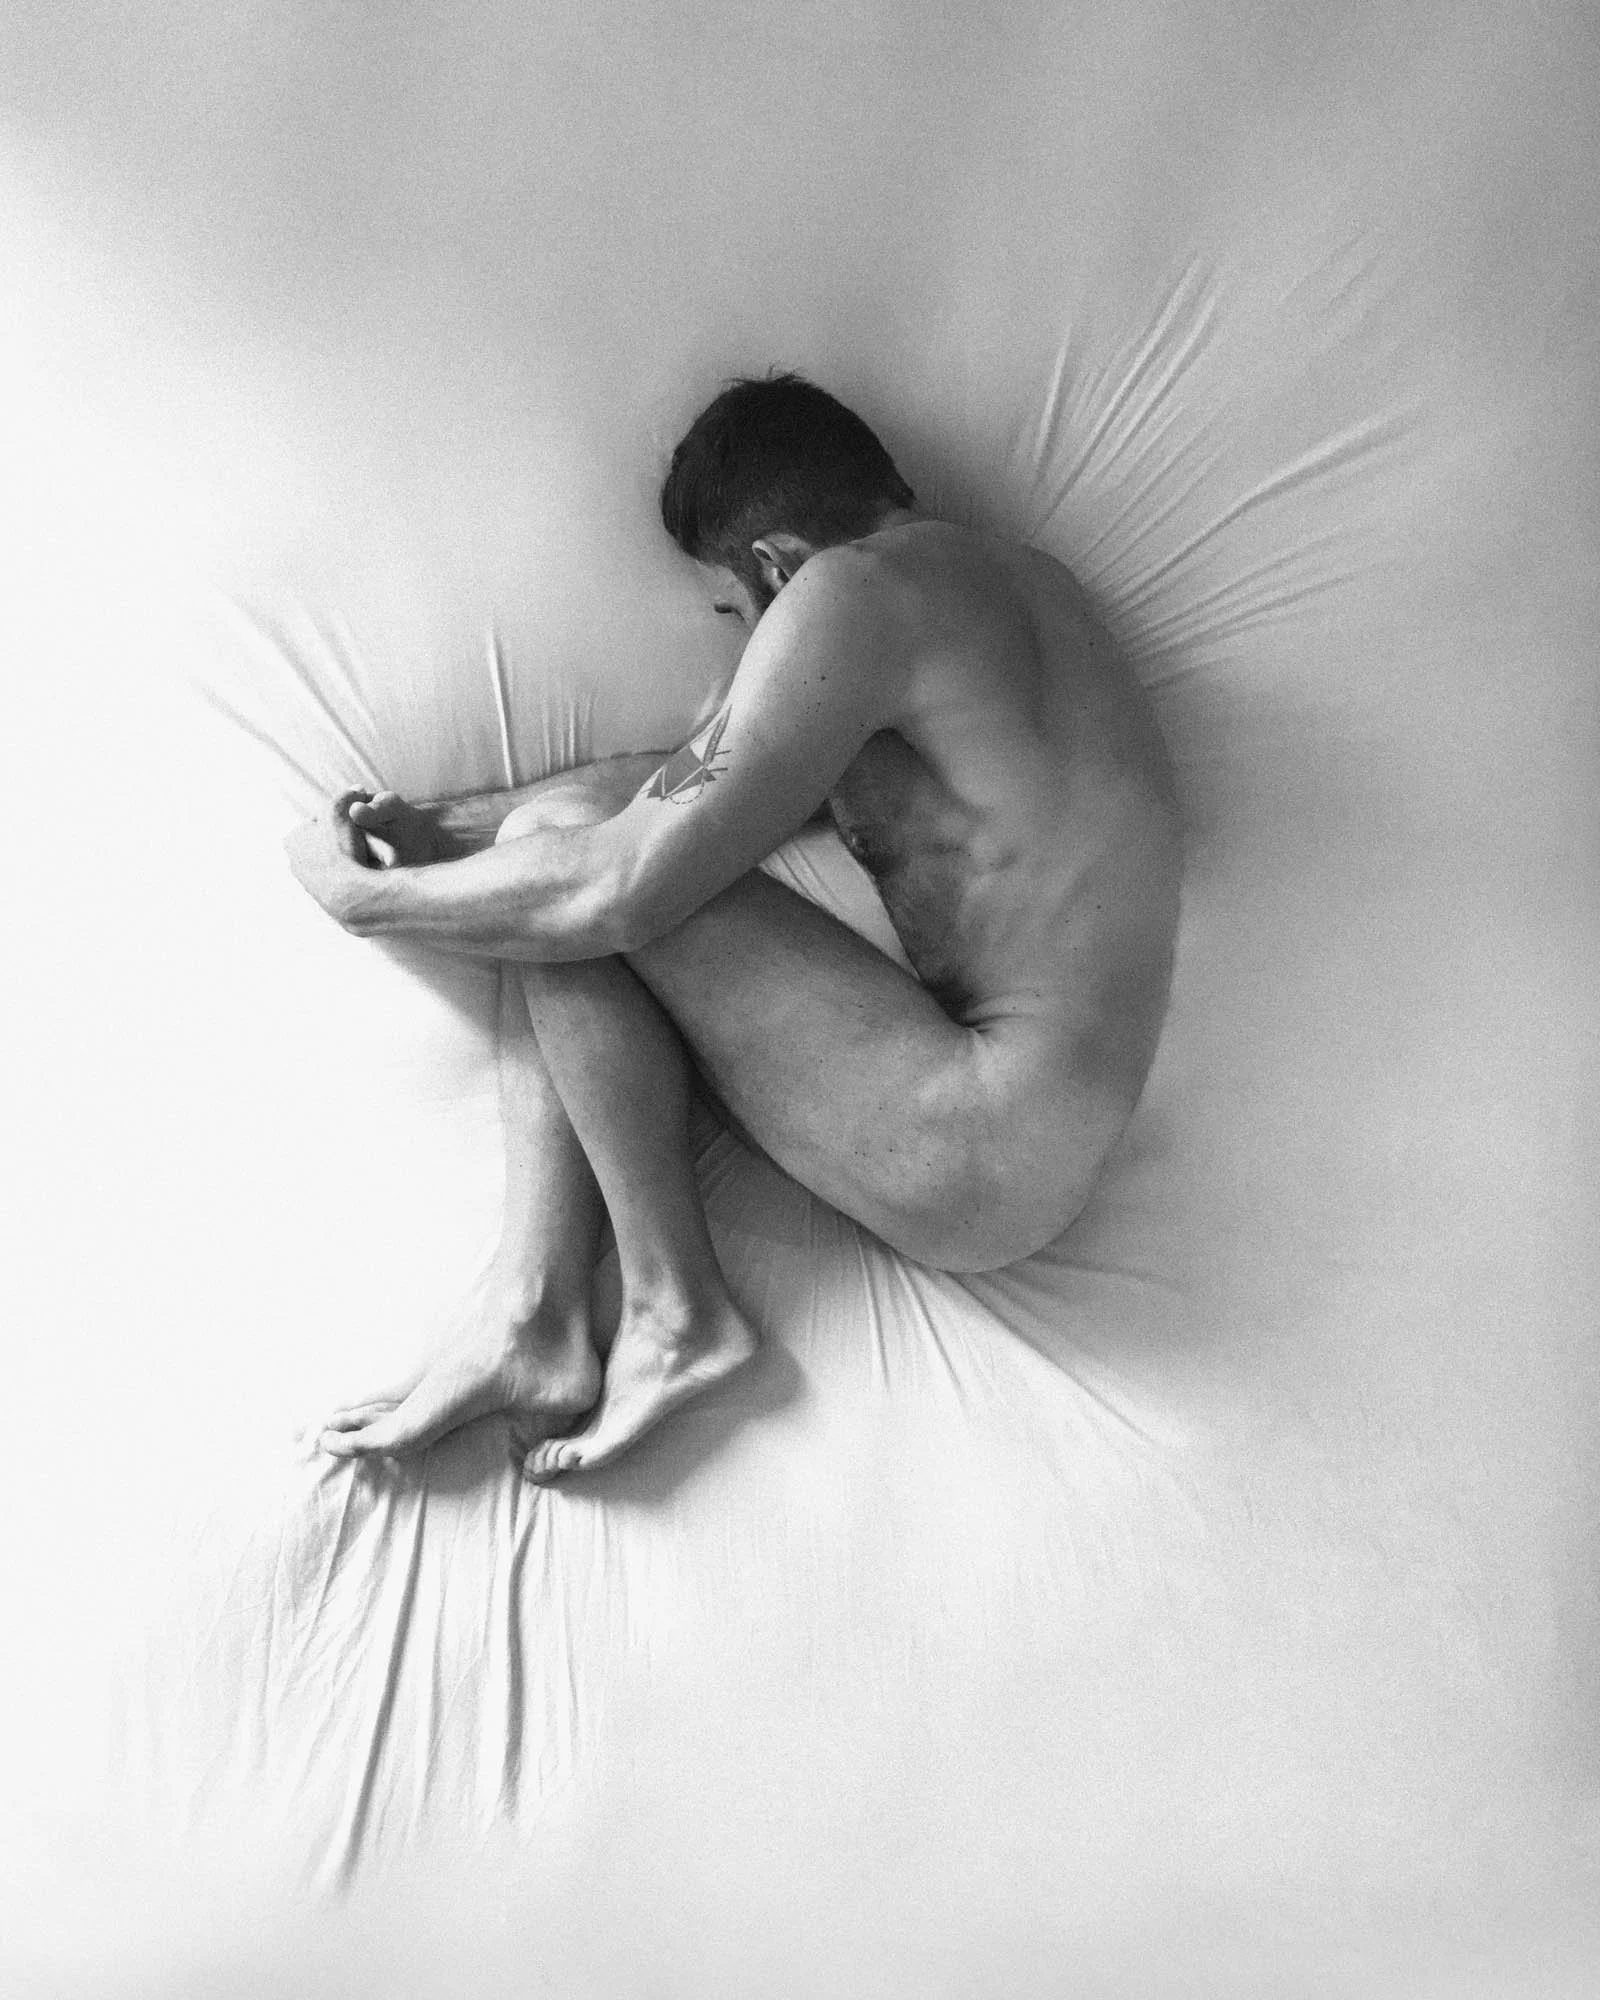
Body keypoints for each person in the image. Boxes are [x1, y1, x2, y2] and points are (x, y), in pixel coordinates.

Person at [285, 373, 1181, 1481]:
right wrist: (448, 825)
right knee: (547, 842)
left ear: (774, 563)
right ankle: (535, 1314)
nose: (750, 642)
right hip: (1038, 1143)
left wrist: (357, 898)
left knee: (561, 864)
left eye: (737, 613)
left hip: (971, 1137)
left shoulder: (850, 595)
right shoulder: (1023, 590)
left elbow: (618, 887)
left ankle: (667, 1311)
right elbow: (691, 784)